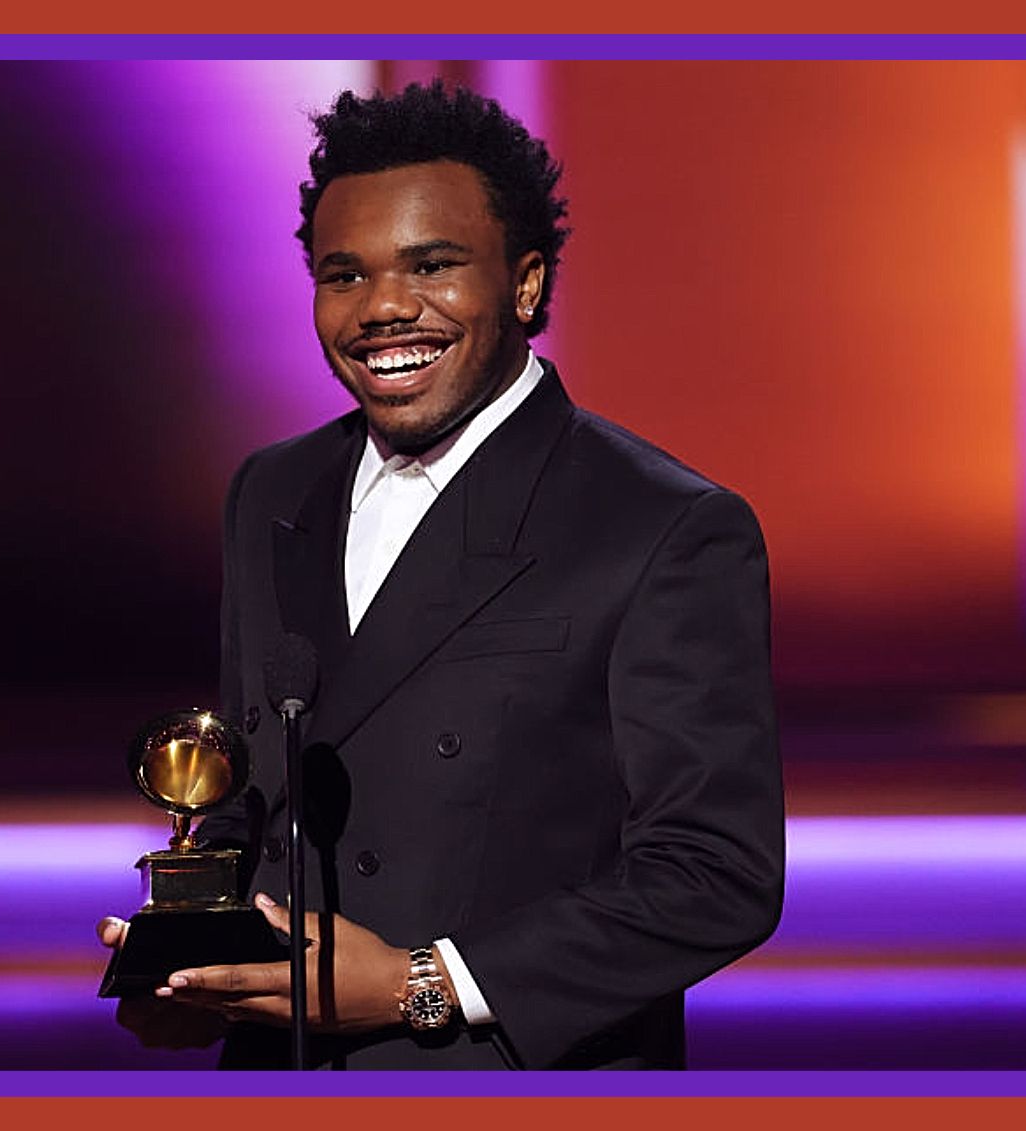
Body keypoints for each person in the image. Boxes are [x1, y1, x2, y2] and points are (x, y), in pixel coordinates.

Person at [99, 80, 783, 1070]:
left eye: (432, 265)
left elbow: (714, 876)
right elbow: (261, 790)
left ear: (527, 284)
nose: (383, 308)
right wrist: (193, 968)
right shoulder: (272, 491)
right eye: (344, 274)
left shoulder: (663, 526)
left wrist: (423, 984)